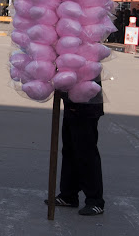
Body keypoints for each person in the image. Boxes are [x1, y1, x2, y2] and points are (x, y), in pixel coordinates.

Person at [46, 82, 105, 216]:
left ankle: (95, 201)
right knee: (69, 150)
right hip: (71, 103)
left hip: (86, 105)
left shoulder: (88, 62)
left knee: (86, 153)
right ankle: (68, 195)